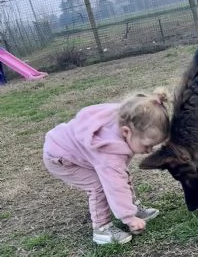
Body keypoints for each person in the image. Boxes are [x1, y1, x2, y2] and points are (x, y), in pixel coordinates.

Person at [43, 89, 170, 245]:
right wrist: (129, 218)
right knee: (100, 186)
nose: (149, 151)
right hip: (61, 158)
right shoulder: (110, 152)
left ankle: (131, 207)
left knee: (119, 173)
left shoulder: (128, 115)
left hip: (73, 147)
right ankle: (101, 228)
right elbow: (115, 185)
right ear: (126, 131)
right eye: (147, 145)